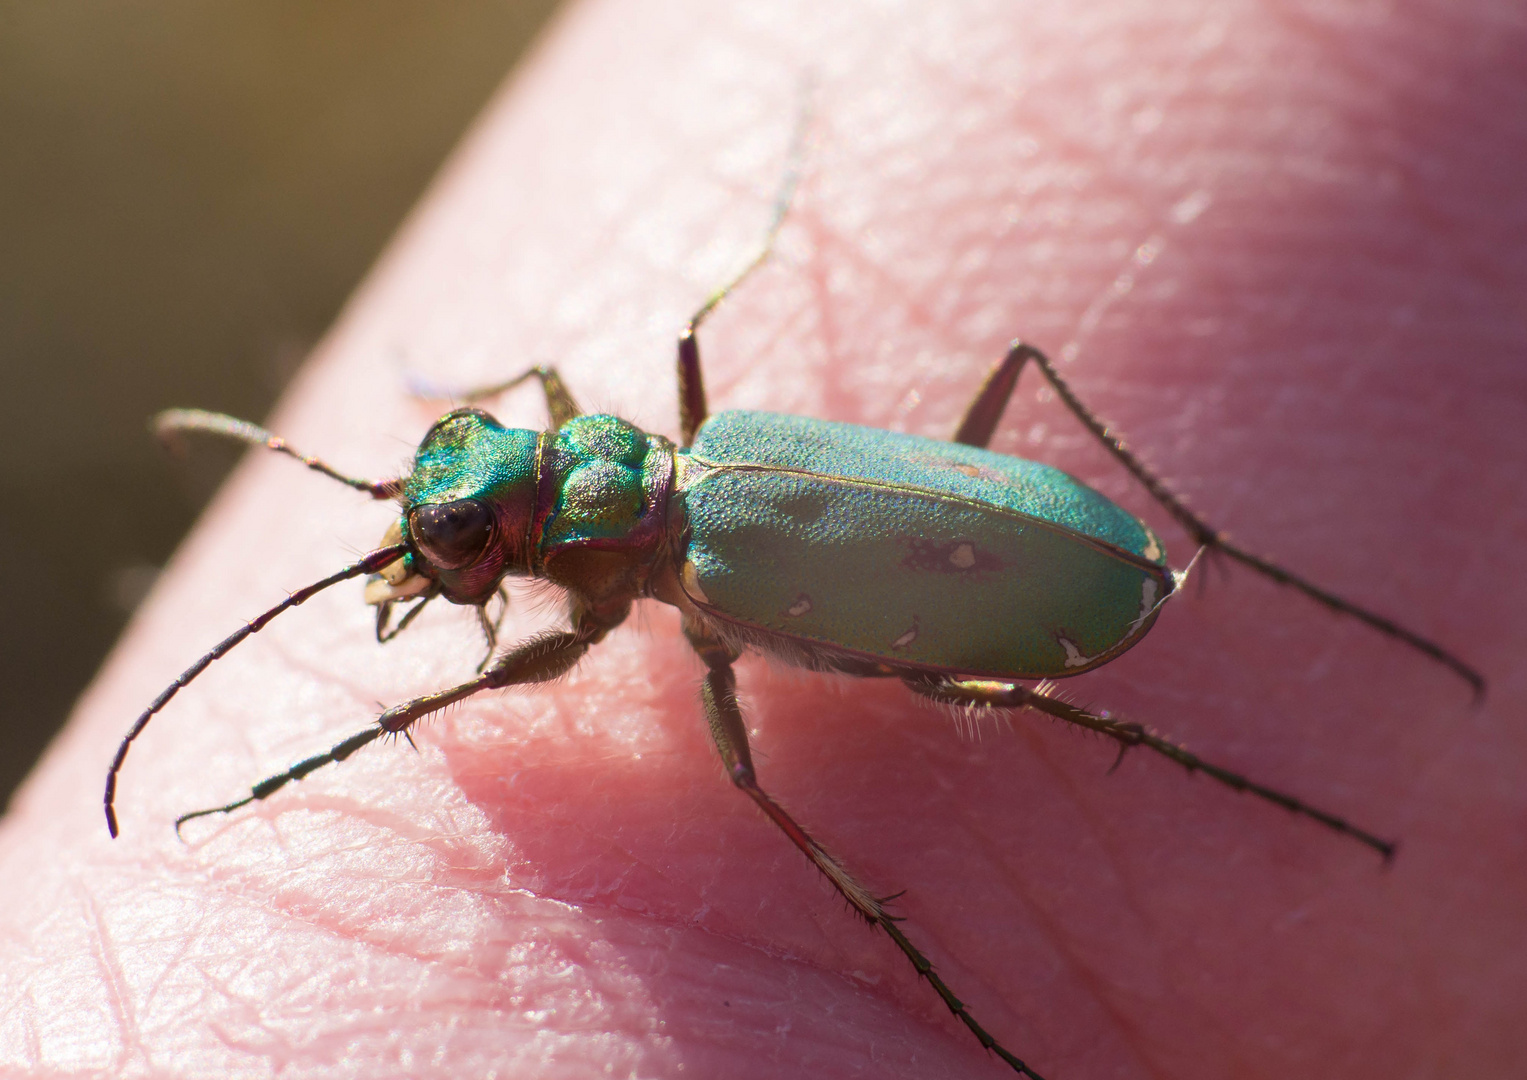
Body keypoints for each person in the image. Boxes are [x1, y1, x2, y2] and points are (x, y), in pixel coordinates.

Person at [1, 1, 1520, 1075]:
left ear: (544, 537)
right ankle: (1227, 589)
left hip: (1012, 576)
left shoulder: (673, 581)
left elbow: (543, 689)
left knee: (763, 773)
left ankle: (1180, 726)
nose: (436, 565)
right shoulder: (667, 435)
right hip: (1009, 532)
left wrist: (381, 723)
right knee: (1007, 386)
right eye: (453, 530)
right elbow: (526, 413)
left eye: (463, 539)